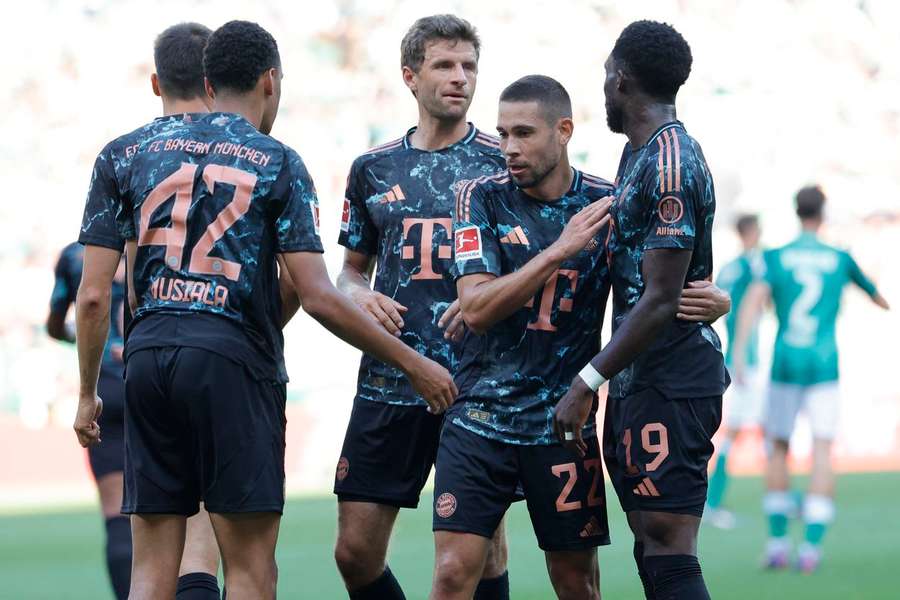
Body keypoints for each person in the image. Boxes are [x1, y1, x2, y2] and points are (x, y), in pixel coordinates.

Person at [74, 20, 456, 599]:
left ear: (206, 82)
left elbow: (97, 294)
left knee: (150, 569)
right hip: (233, 366)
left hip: (147, 358)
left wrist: (86, 392)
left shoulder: (124, 153)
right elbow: (318, 293)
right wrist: (414, 363)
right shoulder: (276, 161)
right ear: (270, 82)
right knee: (251, 568)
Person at [430, 75, 729, 600]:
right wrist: (558, 251)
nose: (509, 149)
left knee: (577, 584)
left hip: (562, 423)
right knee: (454, 572)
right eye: (502, 134)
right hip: (480, 416)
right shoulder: (477, 197)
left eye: (523, 133)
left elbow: (656, 286)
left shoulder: (607, 204)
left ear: (563, 131)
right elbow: (475, 308)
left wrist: (713, 299)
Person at [334, 14, 510, 600]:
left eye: (469, 67)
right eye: (444, 65)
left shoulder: (502, 163)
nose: (460, 78)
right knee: (354, 554)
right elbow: (350, 272)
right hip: (390, 380)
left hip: (476, 384)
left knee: (475, 560)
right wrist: (358, 293)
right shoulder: (372, 168)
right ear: (410, 76)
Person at [554, 21, 729, 600]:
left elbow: (660, 297)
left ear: (620, 79)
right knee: (649, 545)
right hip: (642, 378)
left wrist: (587, 380)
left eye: (606, 75)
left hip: (674, 377)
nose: (603, 86)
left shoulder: (671, 161)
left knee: (668, 545)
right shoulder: (637, 155)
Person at [53, 23, 226, 600]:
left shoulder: (117, 167)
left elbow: (86, 303)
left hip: (123, 372)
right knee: (201, 523)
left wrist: (84, 386)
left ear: (156, 82)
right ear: (214, 78)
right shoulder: (248, 158)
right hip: (204, 357)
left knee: (130, 522)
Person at [733, 185, 889, 572]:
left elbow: (754, 300)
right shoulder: (839, 257)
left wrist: (738, 350)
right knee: (821, 450)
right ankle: (811, 551)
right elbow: (878, 297)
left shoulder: (776, 257)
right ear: (824, 212)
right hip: (824, 365)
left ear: (795, 211)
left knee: (779, 449)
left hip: (785, 362)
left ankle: (777, 545)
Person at [705, 214, 765, 529]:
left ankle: (781, 499)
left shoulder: (730, 268)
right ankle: (712, 502)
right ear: (752, 232)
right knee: (736, 431)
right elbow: (746, 310)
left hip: (738, 358)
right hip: (745, 360)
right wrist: (739, 355)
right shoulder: (753, 265)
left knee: (756, 430)